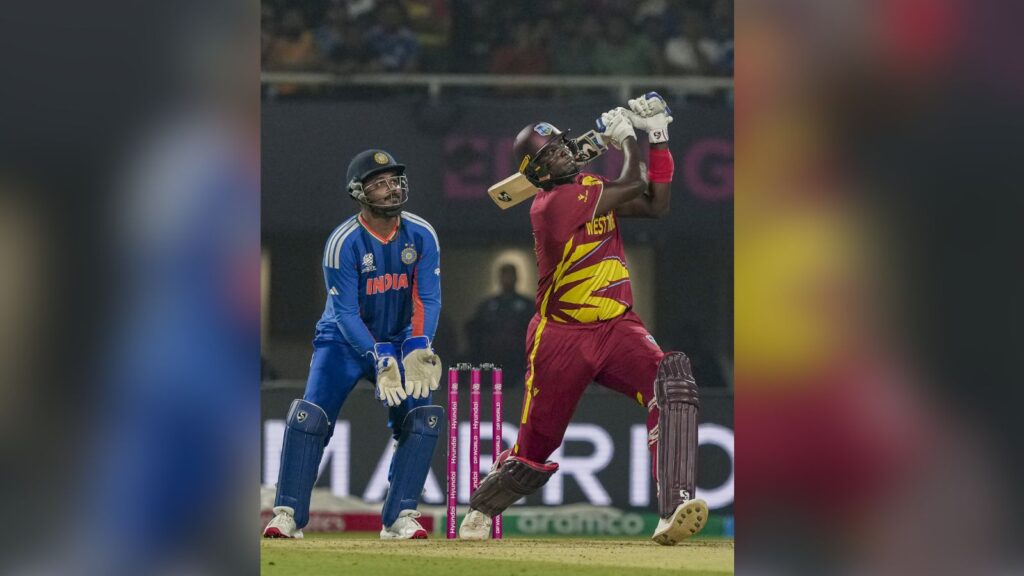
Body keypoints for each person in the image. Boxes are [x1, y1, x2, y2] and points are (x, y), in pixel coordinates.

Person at [458, 93, 708, 545]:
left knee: (673, 382)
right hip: (561, 336)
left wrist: (659, 138)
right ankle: (482, 507)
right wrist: (630, 139)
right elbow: (633, 182)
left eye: (560, 145)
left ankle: (674, 508)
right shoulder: (550, 204)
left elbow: (655, 205)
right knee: (537, 448)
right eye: (548, 154)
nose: (560, 154)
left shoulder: (589, 186)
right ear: (535, 174)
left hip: (617, 326)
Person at [264, 149, 444, 540]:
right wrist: (377, 356)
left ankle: (401, 517)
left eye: (394, 180)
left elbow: (427, 298)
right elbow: (346, 313)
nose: (391, 189)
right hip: (342, 341)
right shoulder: (343, 242)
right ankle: (288, 514)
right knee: (310, 417)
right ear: (359, 192)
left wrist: (417, 345)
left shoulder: (421, 234)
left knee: (422, 418)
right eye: (379, 183)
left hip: (398, 340)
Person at [465, 263, 534, 388]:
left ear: (516, 278)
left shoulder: (527, 306)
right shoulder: (488, 306)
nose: (507, 279)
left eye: (510, 275)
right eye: (504, 275)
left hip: (518, 363)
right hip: (492, 363)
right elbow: (476, 333)